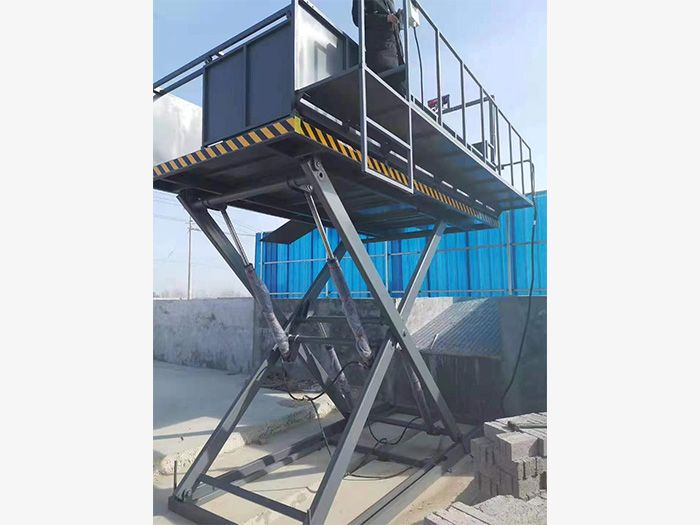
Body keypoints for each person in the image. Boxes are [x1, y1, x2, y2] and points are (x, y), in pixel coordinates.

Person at [352, 0, 406, 96]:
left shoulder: (390, 2)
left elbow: (393, 25)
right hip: (381, 58)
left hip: (397, 59)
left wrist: (398, 19)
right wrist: (385, 18)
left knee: (401, 92)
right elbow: (358, 18)